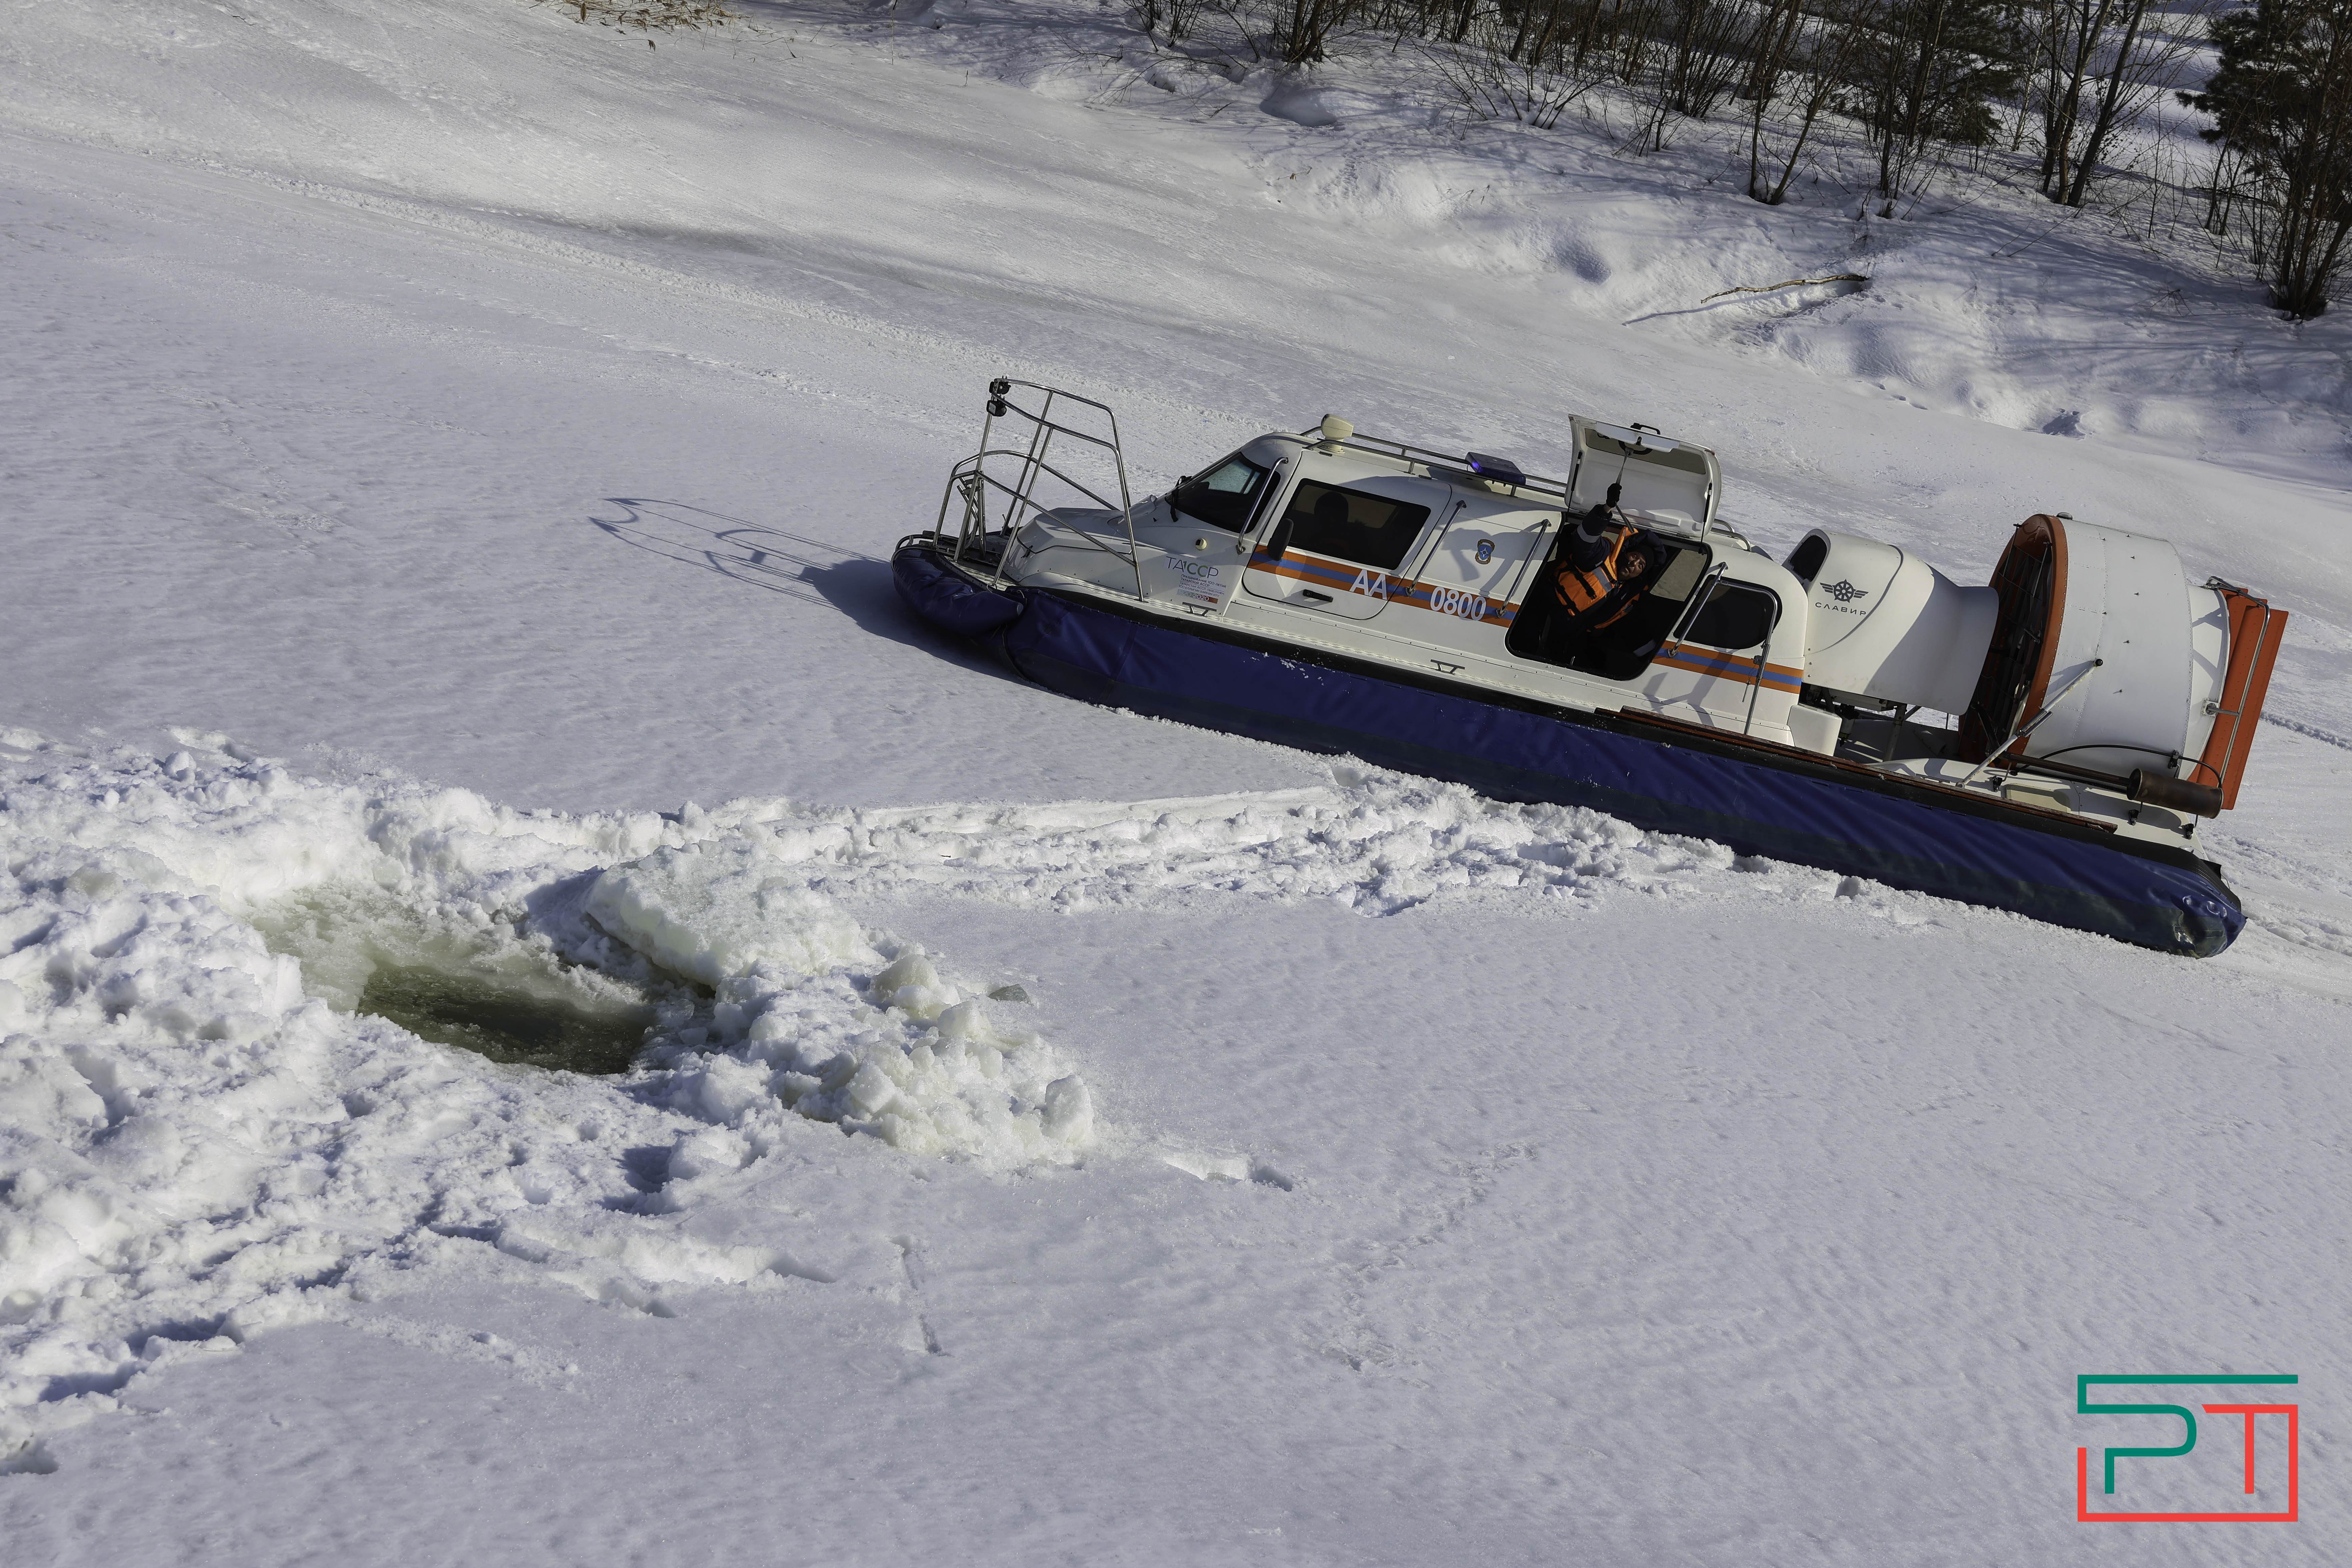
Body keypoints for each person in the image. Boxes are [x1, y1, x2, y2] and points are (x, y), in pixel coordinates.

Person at [1545, 482, 1661, 638]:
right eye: (1635, 556)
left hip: (1569, 631)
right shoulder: (1602, 555)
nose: (1634, 564)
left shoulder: (1626, 593)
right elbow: (1586, 538)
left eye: (1641, 565)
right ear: (1627, 552)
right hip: (1545, 610)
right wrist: (1607, 509)